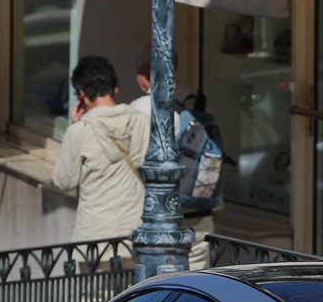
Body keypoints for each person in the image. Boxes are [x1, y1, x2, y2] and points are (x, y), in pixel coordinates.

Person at [129, 41, 216, 270]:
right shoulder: (193, 104)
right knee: (200, 292)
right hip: (200, 215)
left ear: (145, 73)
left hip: (161, 225)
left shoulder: (136, 111)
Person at [52, 55, 150, 242]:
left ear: (81, 94)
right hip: (135, 235)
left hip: (94, 240)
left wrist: (73, 127)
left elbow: (63, 181)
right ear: (115, 88)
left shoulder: (80, 131)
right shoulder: (142, 122)